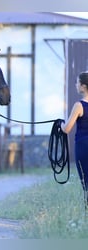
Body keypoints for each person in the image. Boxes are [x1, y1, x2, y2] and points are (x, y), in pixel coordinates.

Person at [61, 71, 88, 209]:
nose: (76, 85)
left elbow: (67, 129)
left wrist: (60, 124)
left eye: (77, 82)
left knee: (86, 180)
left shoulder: (79, 105)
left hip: (84, 146)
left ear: (83, 86)